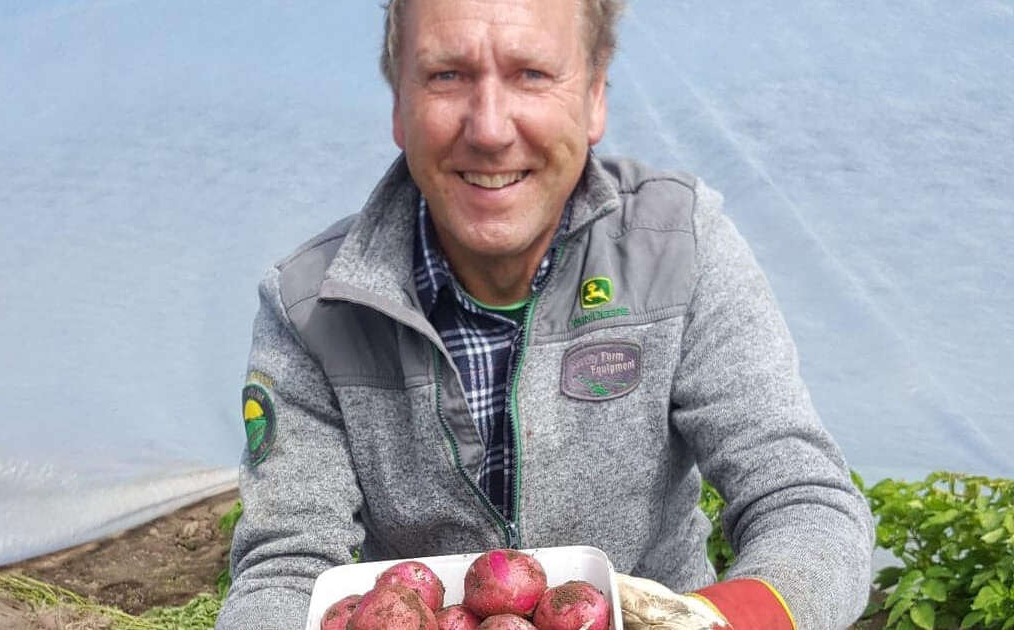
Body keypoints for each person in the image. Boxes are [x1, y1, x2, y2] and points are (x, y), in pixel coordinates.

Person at [216, 1, 874, 629]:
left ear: (595, 95)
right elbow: (286, 569)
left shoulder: (678, 248)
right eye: (447, 75)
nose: (490, 129)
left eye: (531, 73)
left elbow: (805, 501)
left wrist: (719, 624)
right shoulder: (312, 307)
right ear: (398, 104)